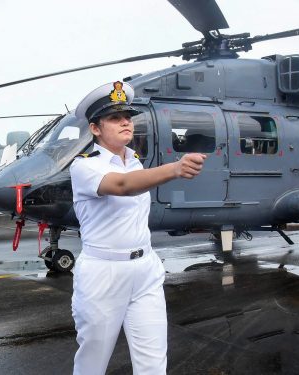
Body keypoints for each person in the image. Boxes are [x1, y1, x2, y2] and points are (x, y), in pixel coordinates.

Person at [69, 81, 206, 374]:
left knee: (153, 361)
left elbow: (131, 183)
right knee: (93, 360)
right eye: (115, 118)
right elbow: (121, 186)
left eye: (128, 117)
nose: (125, 123)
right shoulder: (84, 166)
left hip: (145, 269)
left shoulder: (135, 163)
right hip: (103, 273)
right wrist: (175, 168)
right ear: (95, 129)